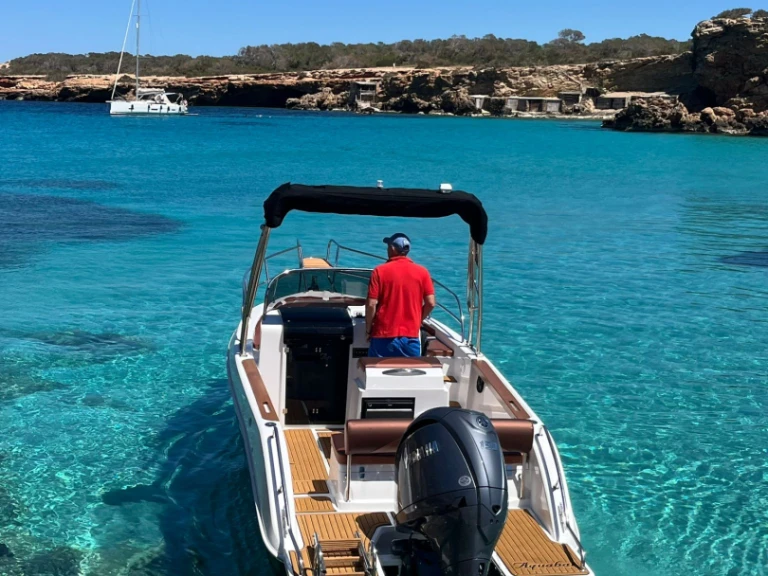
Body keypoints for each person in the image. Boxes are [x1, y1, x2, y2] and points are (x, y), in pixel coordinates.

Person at [366, 233, 436, 357]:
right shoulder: (423, 272)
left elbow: (371, 304)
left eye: (388, 246)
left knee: (378, 375)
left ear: (393, 248)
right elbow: (430, 303)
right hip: (411, 336)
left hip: (383, 334)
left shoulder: (379, 271)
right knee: (409, 374)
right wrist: (418, 319)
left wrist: (368, 329)